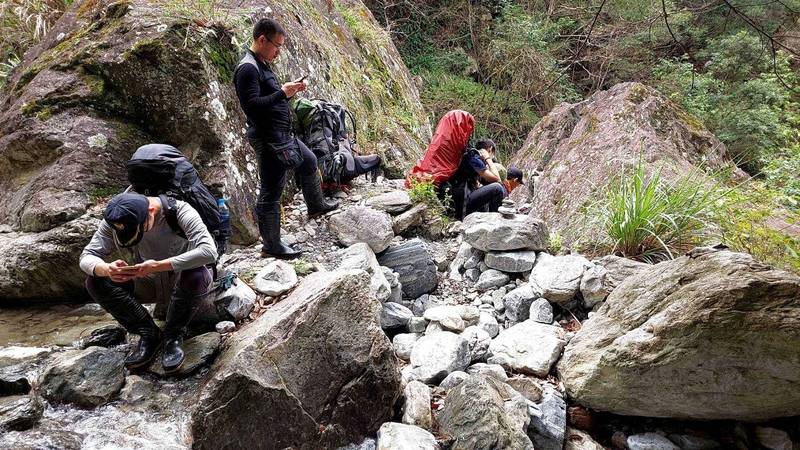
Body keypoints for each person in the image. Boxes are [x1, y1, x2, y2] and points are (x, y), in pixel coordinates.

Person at [233, 18, 338, 260]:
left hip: (283, 134)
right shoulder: (248, 68)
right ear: (262, 40)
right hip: (269, 139)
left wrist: (287, 92)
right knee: (271, 190)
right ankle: (272, 244)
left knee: (309, 161)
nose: (279, 52)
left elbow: (269, 99)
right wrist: (283, 92)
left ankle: (316, 205)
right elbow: (252, 107)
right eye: (276, 46)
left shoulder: (261, 63)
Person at [79, 193, 217, 373]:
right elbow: (86, 257)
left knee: (196, 273)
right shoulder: (116, 218)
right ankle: (148, 332)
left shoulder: (181, 211)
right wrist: (107, 269)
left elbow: (208, 252)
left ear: (150, 212)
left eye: (138, 230)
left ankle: (173, 335)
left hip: (182, 278)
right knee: (94, 281)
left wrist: (158, 266)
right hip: (149, 278)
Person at [449, 138, 507, 220]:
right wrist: (488, 159)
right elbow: (497, 179)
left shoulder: (474, 157)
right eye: (492, 154)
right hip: (463, 202)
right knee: (497, 188)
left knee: (493, 187)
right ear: (490, 149)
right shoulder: (474, 157)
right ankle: (495, 222)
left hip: (464, 198)